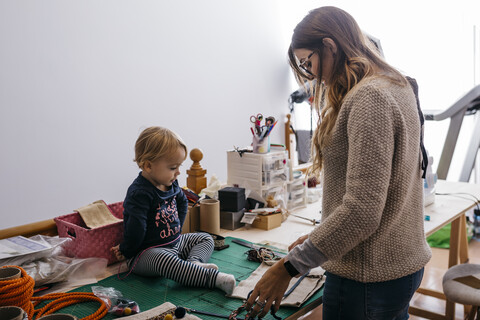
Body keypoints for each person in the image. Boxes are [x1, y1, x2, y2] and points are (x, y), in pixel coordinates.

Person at [246, 6, 432, 319]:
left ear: (330, 46)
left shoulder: (368, 98)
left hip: (367, 275)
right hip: (398, 265)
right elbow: (382, 193)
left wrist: (286, 268)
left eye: (308, 62)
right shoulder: (396, 85)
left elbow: (361, 211)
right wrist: (321, 237)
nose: (310, 74)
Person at [111, 126, 235, 295]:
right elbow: (135, 229)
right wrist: (126, 250)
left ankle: (194, 264)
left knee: (206, 238)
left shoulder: (170, 182)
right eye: (172, 167)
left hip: (174, 243)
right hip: (145, 254)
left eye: (179, 166)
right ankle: (213, 279)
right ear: (148, 166)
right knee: (165, 260)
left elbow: (183, 203)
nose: (178, 172)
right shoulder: (139, 193)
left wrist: (176, 230)